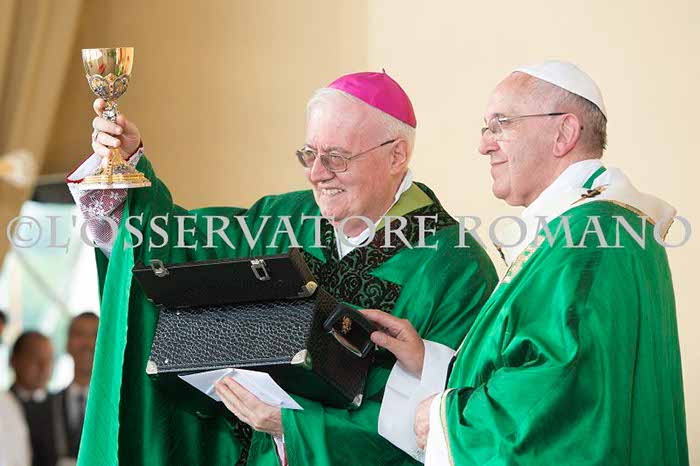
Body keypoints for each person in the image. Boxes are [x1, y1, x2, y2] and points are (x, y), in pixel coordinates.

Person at [66, 71, 498, 465]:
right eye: (309, 154)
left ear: (396, 155)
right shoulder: (284, 218)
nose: (316, 174)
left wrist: (292, 427)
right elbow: (181, 252)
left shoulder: (455, 269)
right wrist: (127, 168)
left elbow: (443, 415)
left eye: (336, 157)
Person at [365, 61, 689, 465]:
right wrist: (429, 365)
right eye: (485, 128)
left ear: (563, 133)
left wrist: (447, 419)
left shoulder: (592, 239)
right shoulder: (585, 228)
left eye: (500, 125)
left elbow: (562, 397)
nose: (484, 145)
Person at [48, 312, 99, 465]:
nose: (87, 343)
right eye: (79, 334)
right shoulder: (47, 405)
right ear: (67, 343)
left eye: (95, 335)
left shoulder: (118, 407)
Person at [9, 331, 56, 466]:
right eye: (35, 358)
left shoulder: (59, 405)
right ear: (14, 360)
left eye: (48, 360)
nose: (43, 367)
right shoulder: (4, 405)